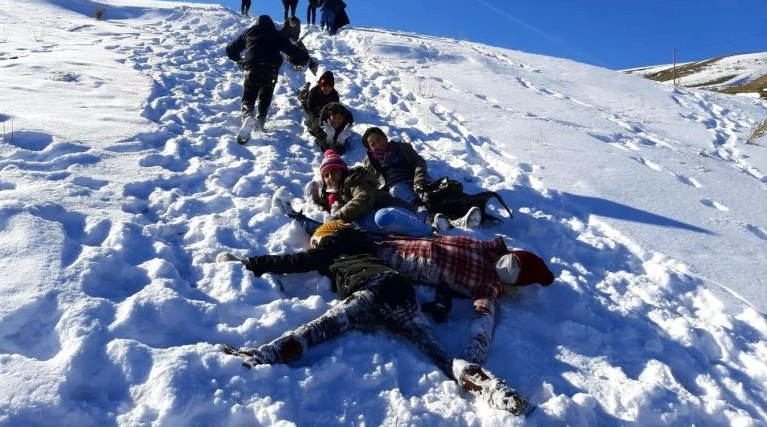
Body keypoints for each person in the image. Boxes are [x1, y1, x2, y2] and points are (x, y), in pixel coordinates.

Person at [216, 220, 529, 416]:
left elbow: (298, 260)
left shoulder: (331, 249)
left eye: (318, 239)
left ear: (328, 238)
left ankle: (261, 357)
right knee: (441, 356)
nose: (314, 244)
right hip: (401, 292)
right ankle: (495, 391)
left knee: (319, 329)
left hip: (373, 291)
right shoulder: (368, 247)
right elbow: (335, 230)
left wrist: (249, 262)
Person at [378, 233, 554, 365]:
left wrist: (478, 345)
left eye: (514, 272)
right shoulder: (486, 248)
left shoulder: (490, 284)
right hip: (406, 241)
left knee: (367, 251)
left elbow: (484, 312)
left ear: (515, 283)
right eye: (513, 260)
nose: (507, 267)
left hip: (411, 260)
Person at [361, 127, 481, 231]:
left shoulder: (401, 148)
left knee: (439, 195)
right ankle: (433, 221)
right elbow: (368, 181)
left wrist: (419, 179)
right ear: (370, 149)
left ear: (385, 137)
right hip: (397, 186)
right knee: (411, 200)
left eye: (379, 139)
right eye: (373, 144)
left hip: (418, 179)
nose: (378, 144)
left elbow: (419, 162)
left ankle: (462, 215)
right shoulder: (370, 163)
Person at [225, 14, 310, 143]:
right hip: (271, 69)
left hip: (253, 67)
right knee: (266, 94)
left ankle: (248, 115)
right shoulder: (276, 34)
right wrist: (304, 57)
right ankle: (260, 121)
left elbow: (230, 50)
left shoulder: (249, 32)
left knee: (249, 96)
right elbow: (291, 50)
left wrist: (240, 61)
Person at [307, 150, 431, 236]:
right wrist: (315, 193)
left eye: (335, 172)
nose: (331, 177)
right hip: (371, 221)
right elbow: (320, 208)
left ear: (343, 172)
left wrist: (338, 216)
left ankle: (426, 230)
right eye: (326, 175)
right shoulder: (335, 195)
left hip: (395, 211)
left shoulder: (354, 180)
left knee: (381, 217)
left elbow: (364, 197)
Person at [299, 71, 339, 138]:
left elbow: (336, 108)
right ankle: (304, 89)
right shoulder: (314, 91)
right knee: (304, 98)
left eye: (330, 86)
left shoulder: (334, 94)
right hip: (314, 108)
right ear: (320, 85)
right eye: (324, 86)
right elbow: (310, 107)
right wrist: (319, 112)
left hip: (325, 111)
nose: (327, 88)